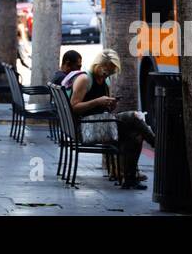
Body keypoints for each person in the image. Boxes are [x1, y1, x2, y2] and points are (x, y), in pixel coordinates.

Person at [62, 50, 155, 189]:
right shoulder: (84, 79)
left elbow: (103, 110)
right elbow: (74, 106)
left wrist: (110, 105)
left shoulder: (105, 81)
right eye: (106, 72)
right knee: (134, 116)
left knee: (136, 136)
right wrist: (98, 101)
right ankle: (157, 143)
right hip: (85, 127)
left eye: (111, 73)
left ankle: (130, 179)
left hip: (100, 123)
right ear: (98, 65)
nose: (107, 75)